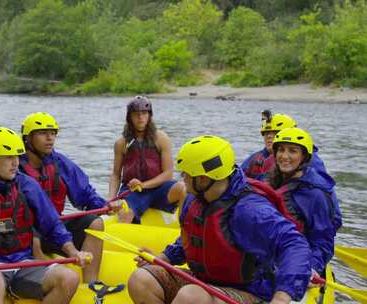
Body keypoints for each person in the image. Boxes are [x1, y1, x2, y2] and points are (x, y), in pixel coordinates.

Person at [128, 135, 313, 304]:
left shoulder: (249, 210)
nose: (182, 178)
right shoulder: (195, 198)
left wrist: (282, 297)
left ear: (202, 179)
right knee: (141, 280)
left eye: (186, 174)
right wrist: (164, 257)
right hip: (203, 282)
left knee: (190, 297)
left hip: (249, 292)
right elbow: (195, 238)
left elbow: (295, 244)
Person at [0, 126, 92, 304]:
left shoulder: (27, 185)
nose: (15, 163)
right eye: (8, 157)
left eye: (16, 157)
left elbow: (52, 226)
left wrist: (73, 251)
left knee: (69, 278)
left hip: (23, 262)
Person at [19, 112, 122, 283]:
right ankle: (44, 269)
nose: (50, 138)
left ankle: (91, 284)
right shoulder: (13, 166)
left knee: (95, 223)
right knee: (32, 230)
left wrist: (105, 206)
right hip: (25, 232)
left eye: (53, 134)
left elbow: (85, 195)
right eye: (43, 133)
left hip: (54, 228)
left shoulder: (60, 163)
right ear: (28, 138)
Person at [267, 127, 342, 278]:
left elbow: (323, 242)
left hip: (299, 263)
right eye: (280, 150)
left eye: (292, 151)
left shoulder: (315, 194)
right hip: (272, 257)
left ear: (305, 157)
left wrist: (312, 267)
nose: (284, 156)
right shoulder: (270, 180)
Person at [108, 96, 177, 224]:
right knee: (125, 214)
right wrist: (111, 198)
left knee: (183, 188)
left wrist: (143, 185)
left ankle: (187, 227)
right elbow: (116, 174)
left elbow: (168, 174)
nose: (140, 117)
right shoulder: (121, 143)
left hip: (159, 188)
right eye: (136, 114)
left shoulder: (161, 138)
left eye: (144, 113)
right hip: (133, 190)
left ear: (149, 116)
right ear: (130, 117)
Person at [242, 110, 327, 180]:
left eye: (276, 133)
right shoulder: (256, 158)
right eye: (266, 133)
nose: (269, 136)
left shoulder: (310, 159)